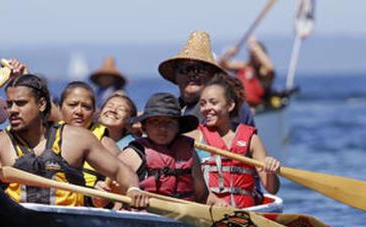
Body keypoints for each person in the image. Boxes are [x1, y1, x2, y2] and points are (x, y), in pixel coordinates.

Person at [0, 70, 147, 208]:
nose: (12, 110)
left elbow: (120, 171)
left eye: (21, 103)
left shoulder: (78, 138)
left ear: (42, 105)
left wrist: (132, 189)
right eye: (9, 104)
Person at [186, 76, 280, 208]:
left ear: (230, 105)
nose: (206, 108)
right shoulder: (194, 137)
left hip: (245, 212)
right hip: (209, 210)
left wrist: (271, 171)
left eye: (213, 102)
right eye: (202, 104)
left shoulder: (251, 139)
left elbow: (272, 189)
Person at [116, 93, 213, 204]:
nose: (162, 128)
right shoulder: (131, 154)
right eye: (155, 121)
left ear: (178, 127)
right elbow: (109, 198)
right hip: (143, 217)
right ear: (144, 127)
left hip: (182, 217)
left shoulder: (190, 154)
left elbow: (201, 195)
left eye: (169, 122)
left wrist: (219, 203)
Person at [158, 31, 255, 126]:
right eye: (185, 69)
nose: (192, 75)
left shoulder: (230, 106)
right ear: (176, 75)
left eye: (199, 69)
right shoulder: (170, 112)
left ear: (213, 75)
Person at [59, 81, 119, 189]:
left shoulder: (105, 143)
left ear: (94, 112)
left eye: (86, 107)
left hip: (88, 201)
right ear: (60, 107)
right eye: (72, 105)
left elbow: (120, 178)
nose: (79, 111)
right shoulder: (47, 135)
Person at [219, 36, 275, 108]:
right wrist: (228, 53)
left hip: (257, 107)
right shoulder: (244, 66)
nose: (254, 56)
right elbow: (221, 64)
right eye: (252, 54)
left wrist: (256, 47)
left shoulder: (264, 71)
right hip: (240, 105)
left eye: (256, 54)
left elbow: (270, 68)